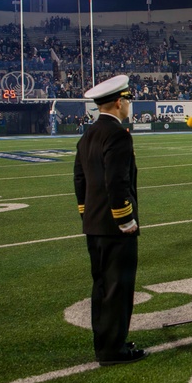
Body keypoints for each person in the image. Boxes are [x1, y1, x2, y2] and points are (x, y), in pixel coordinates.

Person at [73, 74, 146, 367]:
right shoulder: (118, 135)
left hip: (94, 224)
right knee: (118, 288)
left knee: (102, 286)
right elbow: (117, 181)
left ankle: (105, 344)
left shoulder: (88, 134)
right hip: (115, 227)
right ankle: (114, 350)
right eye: (127, 100)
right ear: (118, 102)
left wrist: (86, 212)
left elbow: (79, 179)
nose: (128, 105)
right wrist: (125, 219)